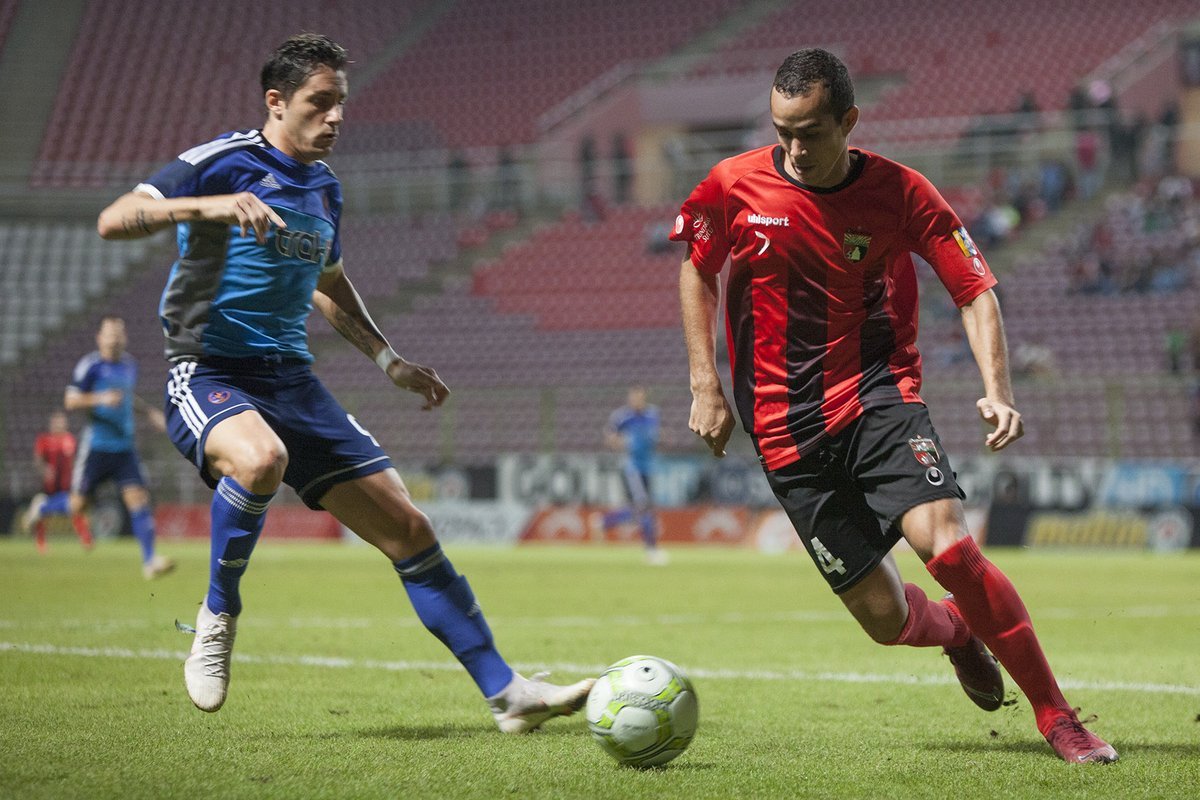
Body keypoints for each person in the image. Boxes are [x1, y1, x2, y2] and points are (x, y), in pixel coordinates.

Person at [96, 33, 592, 729]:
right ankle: (217, 614)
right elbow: (114, 219)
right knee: (260, 459)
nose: (334, 118)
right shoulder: (221, 163)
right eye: (319, 103)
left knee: (410, 529)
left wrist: (389, 359)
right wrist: (207, 207)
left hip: (292, 382)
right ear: (276, 102)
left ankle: (508, 695)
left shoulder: (325, 189)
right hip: (209, 371)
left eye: (340, 105)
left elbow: (327, 281)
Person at [672, 49, 1117, 764]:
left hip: (879, 396)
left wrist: (998, 389)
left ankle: (1058, 717)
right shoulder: (733, 185)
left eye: (811, 131)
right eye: (783, 130)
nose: (794, 148)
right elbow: (697, 268)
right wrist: (704, 383)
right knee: (883, 619)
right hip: (784, 435)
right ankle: (959, 634)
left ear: (848, 121)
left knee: (948, 546)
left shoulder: (901, 193)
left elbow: (974, 289)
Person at [63, 316, 174, 579]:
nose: (114, 338)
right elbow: (70, 400)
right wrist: (100, 398)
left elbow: (126, 397)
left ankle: (150, 561)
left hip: (124, 447)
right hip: (97, 447)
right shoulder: (90, 366)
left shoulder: (129, 366)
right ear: (99, 338)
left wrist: (149, 412)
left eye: (119, 334)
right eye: (110, 334)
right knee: (78, 506)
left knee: (139, 499)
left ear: (124, 338)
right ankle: (42, 508)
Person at [595, 386, 667, 565]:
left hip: (648, 467)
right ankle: (651, 550)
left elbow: (656, 436)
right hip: (632, 468)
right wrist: (620, 442)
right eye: (633, 397)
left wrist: (661, 438)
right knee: (643, 506)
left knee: (640, 510)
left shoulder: (652, 414)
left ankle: (605, 522)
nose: (636, 400)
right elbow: (609, 435)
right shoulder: (623, 417)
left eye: (639, 397)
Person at [21, 410, 94, 553]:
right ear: (52, 424)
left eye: (62, 421)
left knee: (75, 508)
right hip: (50, 484)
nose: (60, 424)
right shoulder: (44, 439)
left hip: (67, 483)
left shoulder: (70, 440)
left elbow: (74, 461)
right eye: (57, 422)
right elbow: (38, 460)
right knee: (47, 516)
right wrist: (45, 469)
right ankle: (41, 541)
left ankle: (85, 538)